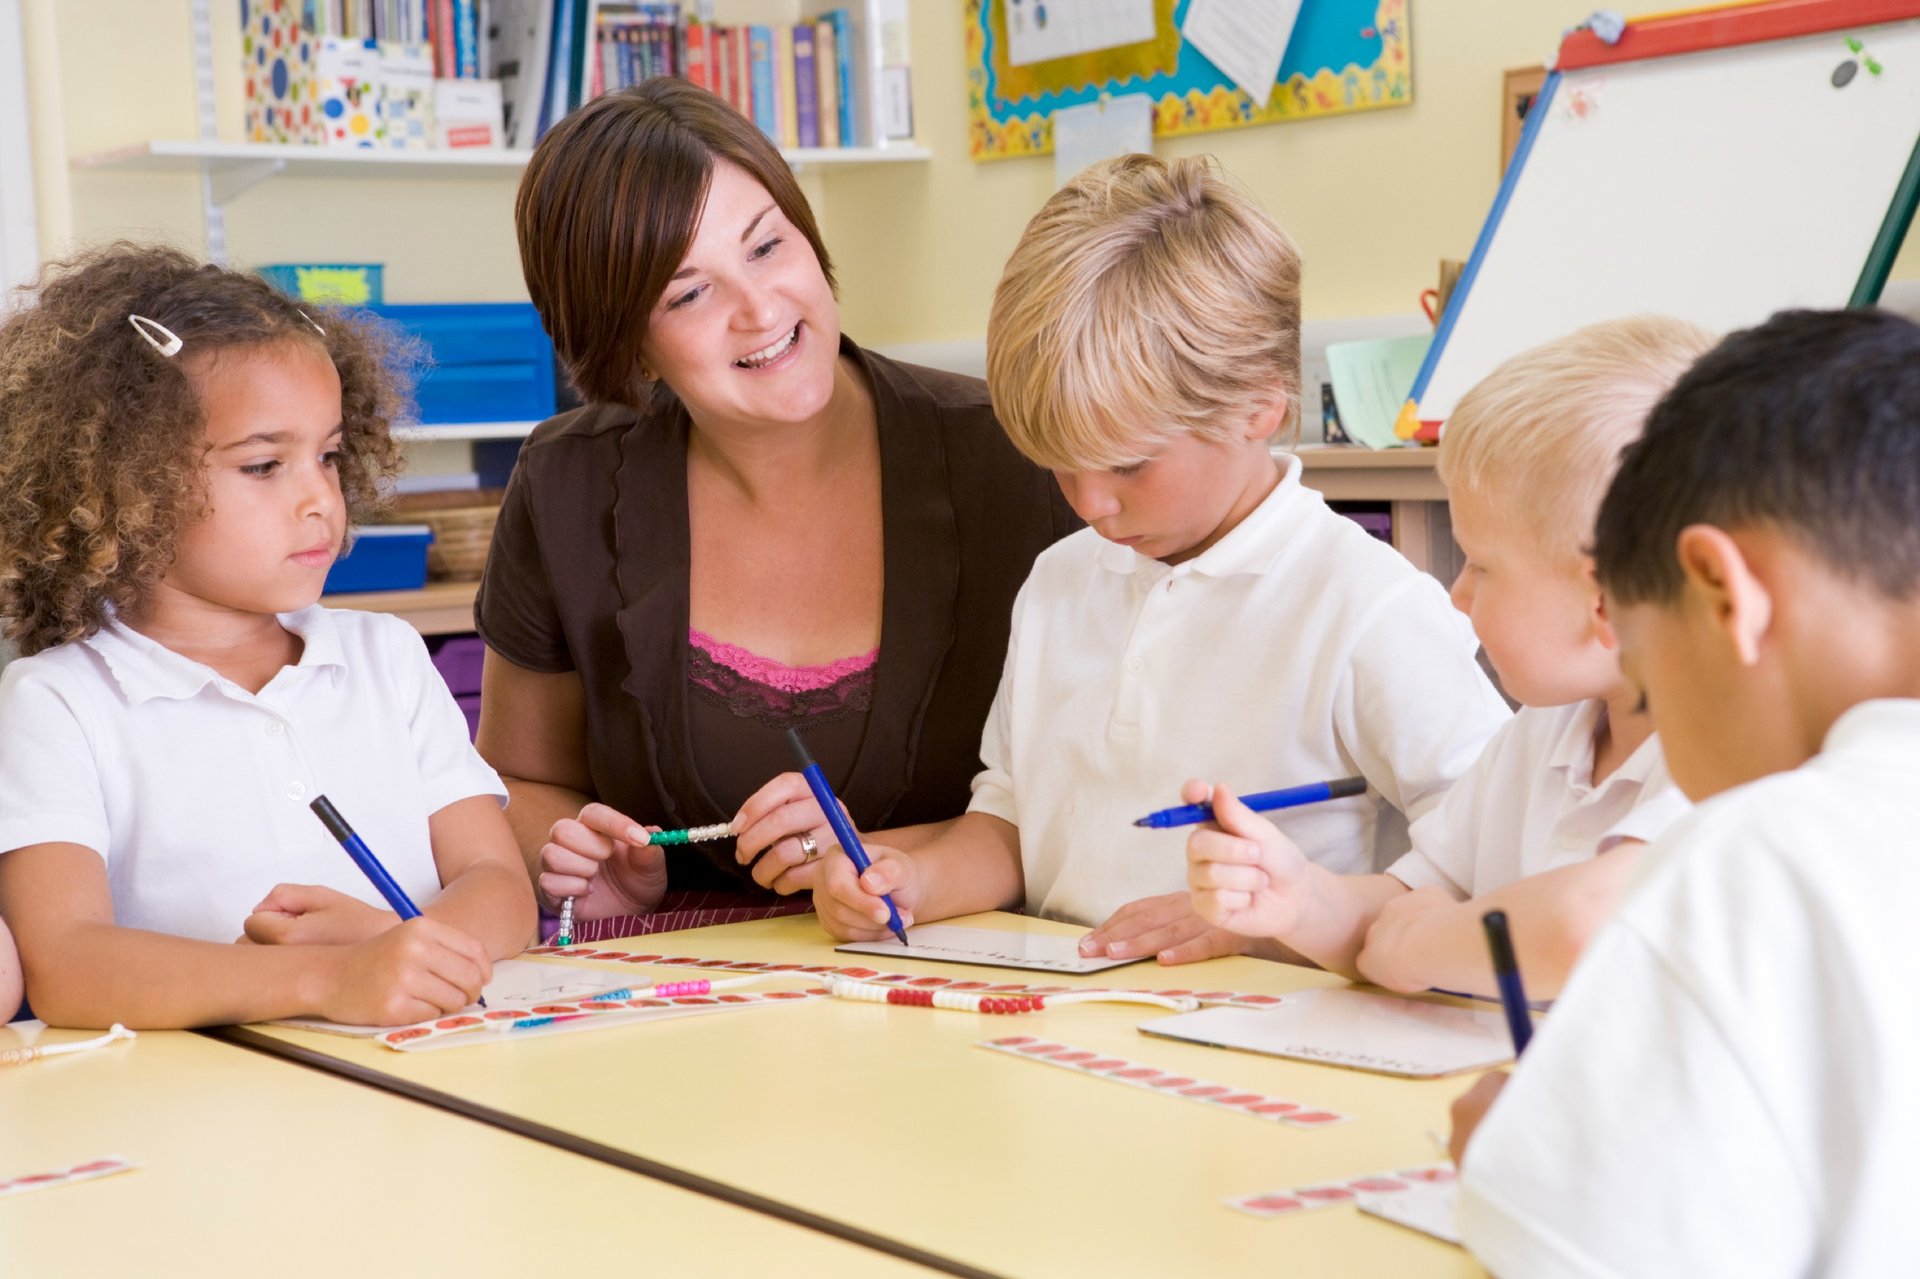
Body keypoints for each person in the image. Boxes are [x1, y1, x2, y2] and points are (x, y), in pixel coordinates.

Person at [811, 153, 1510, 962]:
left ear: (1260, 406)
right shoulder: (1058, 582)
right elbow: (1012, 822)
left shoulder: (1368, 605)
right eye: (1059, 465)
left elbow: (1490, 862)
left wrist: (1269, 921)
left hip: (1262, 1041)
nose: (1089, 503)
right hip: (1067, 1024)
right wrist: (914, 881)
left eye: (1129, 465)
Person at [487, 79, 1078, 943]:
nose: (759, 309)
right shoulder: (564, 482)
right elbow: (516, 779)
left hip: (965, 970)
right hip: (684, 996)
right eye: (688, 294)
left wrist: (880, 857)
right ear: (625, 344)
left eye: (767, 246)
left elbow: (1103, 792)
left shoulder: (1016, 453)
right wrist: (579, 857)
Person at [1450, 308, 1920, 1276]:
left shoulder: (1771, 850)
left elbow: (1581, 1247)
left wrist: (1522, 1157)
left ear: (1719, 592)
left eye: (1649, 666)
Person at [0, 244, 534, 1029]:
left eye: (327, 455)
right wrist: (329, 978)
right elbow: (67, 965)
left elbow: (500, 883)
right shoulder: (58, 702)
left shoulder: (386, 658)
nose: (321, 497)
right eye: (262, 466)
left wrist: (409, 950)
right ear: (128, 485)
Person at [1186, 316, 1709, 998]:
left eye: (1481, 566)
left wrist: (1421, 941)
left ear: (1605, 601)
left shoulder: (1725, 760)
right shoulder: (1538, 734)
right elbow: (1404, 905)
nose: (1458, 596)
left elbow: (1580, 928)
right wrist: (1301, 899)